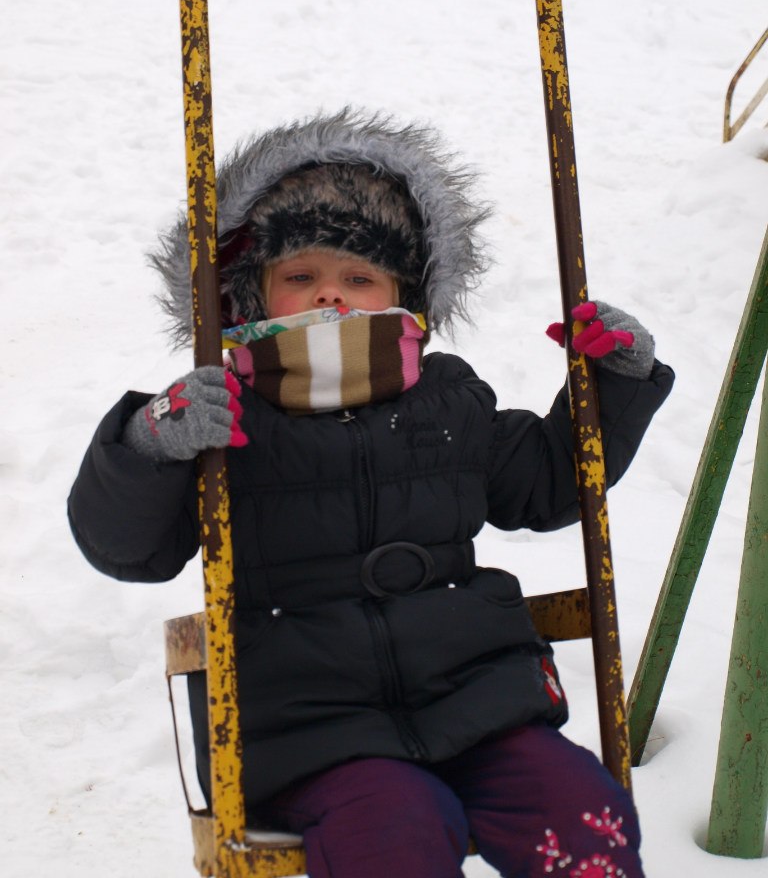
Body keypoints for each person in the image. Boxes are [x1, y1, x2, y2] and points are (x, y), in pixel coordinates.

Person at [68, 108, 674, 878]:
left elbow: (550, 485)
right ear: (252, 298)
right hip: (311, 732)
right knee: (393, 835)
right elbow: (129, 547)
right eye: (300, 277)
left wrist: (614, 382)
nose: (332, 295)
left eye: (359, 278)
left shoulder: (447, 398)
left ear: (404, 296)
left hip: (477, 702)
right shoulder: (223, 415)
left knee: (580, 811)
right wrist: (147, 443)